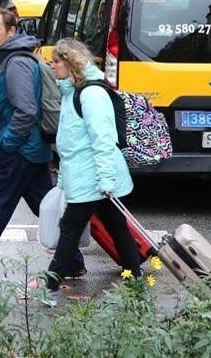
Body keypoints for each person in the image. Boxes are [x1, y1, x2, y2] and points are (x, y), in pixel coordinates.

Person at [0, 9, 85, 276]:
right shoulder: (12, 58)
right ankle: (73, 261)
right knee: (46, 206)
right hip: (32, 151)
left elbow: (26, 110)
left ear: (12, 31)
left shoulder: (16, 63)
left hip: (21, 151)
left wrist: (7, 143)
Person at [39, 39, 139, 302]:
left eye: (56, 61)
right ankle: (135, 277)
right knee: (117, 227)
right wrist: (63, 178)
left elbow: (103, 139)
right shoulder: (74, 91)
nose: (52, 65)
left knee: (70, 227)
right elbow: (71, 142)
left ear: (70, 63)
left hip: (93, 176)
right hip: (87, 174)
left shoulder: (91, 94)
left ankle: (50, 283)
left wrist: (106, 179)